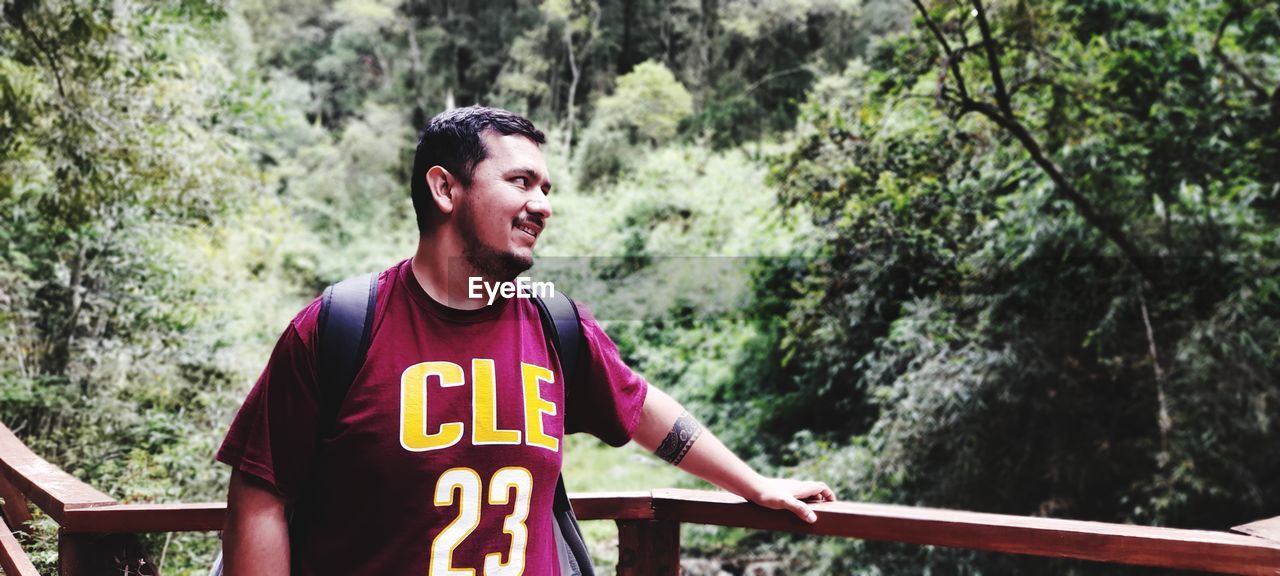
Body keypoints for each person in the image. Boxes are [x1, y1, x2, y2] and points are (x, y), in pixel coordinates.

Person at [217, 106, 835, 575]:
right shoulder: (341, 325)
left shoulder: (551, 321)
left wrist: (753, 485)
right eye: (520, 182)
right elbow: (260, 491)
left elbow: (641, 406)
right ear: (444, 189)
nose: (541, 205)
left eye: (546, 189)